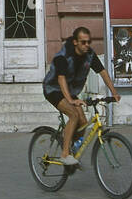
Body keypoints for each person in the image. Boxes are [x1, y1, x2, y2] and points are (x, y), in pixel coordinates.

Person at [42, 27, 119, 167]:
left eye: (89, 42)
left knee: (83, 122)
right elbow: (61, 79)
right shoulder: (63, 56)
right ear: (75, 42)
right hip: (53, 89)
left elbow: (102, 72)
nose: (87, 45)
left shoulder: (89, 54)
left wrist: (114, 92)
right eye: (83, 42)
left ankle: (71, 148)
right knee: (73, 115)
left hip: (69, 90)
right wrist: (71, 100)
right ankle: (65, 154)